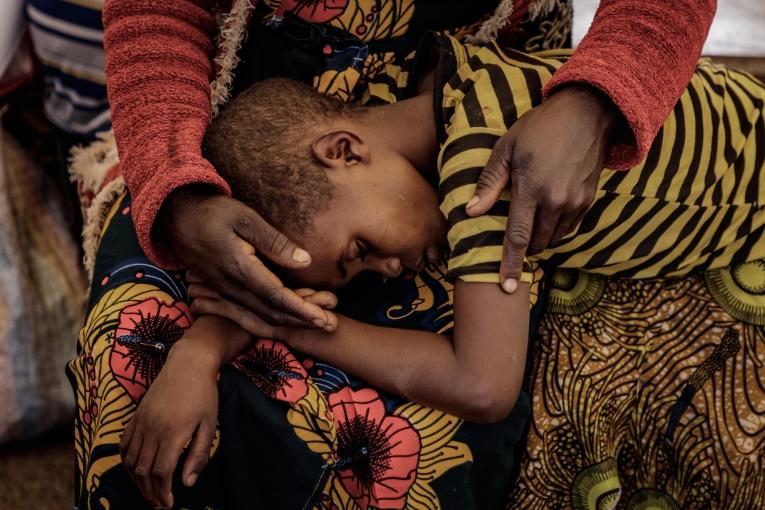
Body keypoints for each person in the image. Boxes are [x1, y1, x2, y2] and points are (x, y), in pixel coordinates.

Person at [68, 1, 717, 509]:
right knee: (136, 373)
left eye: (362, 255)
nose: (388, 271)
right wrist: (178, 195)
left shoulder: (488, 169)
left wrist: (598, 101)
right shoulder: (350, 201)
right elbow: (154, 10)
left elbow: (480, 387)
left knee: (386, 459)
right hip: (230, 150)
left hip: (542, 131)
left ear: (345, 149)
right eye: (360, 260)